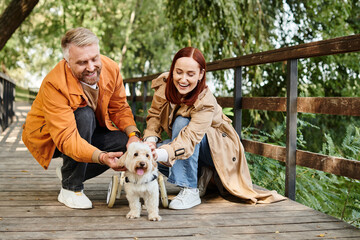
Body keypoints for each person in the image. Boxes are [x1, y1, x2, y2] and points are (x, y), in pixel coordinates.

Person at [143, 47, 286, 210]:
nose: (183, 79)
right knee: (155, 154)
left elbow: (189, 139)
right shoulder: (165, 86)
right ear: (172, 70)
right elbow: (155, 114)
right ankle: (197, 179)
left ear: (201, 75)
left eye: (190, 74)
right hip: (189, 145)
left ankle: (189, 190)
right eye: (179, 72)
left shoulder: (206, 101)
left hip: (217, 149)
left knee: (180, 123)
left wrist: (158, 154)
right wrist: (150, 142)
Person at [22, 27, 141, 209]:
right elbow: (67, 138)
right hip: (51, 137)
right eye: (82, 62)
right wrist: (101, 157)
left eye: (94, 58)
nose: (91, 67)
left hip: (90, 128)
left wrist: (134, 135)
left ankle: (69, 172)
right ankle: (71, 187)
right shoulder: (54, 84)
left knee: (123, 140)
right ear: (68, 62)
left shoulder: (111, 69)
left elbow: (120, 108)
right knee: (84, 115)